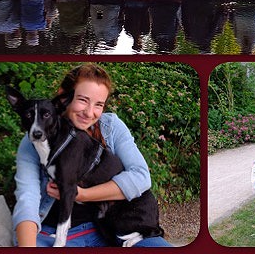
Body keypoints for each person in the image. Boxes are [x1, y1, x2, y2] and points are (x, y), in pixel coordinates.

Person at [12, 63, 171, 247]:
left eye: (98, 104)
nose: (89, 113)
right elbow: (27, 200)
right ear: (64, 96)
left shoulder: (110, 127)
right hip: (58, 233)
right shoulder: (36, 140)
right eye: (82, 100)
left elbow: (141, 177)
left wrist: (82, 195)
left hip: (115, 227)